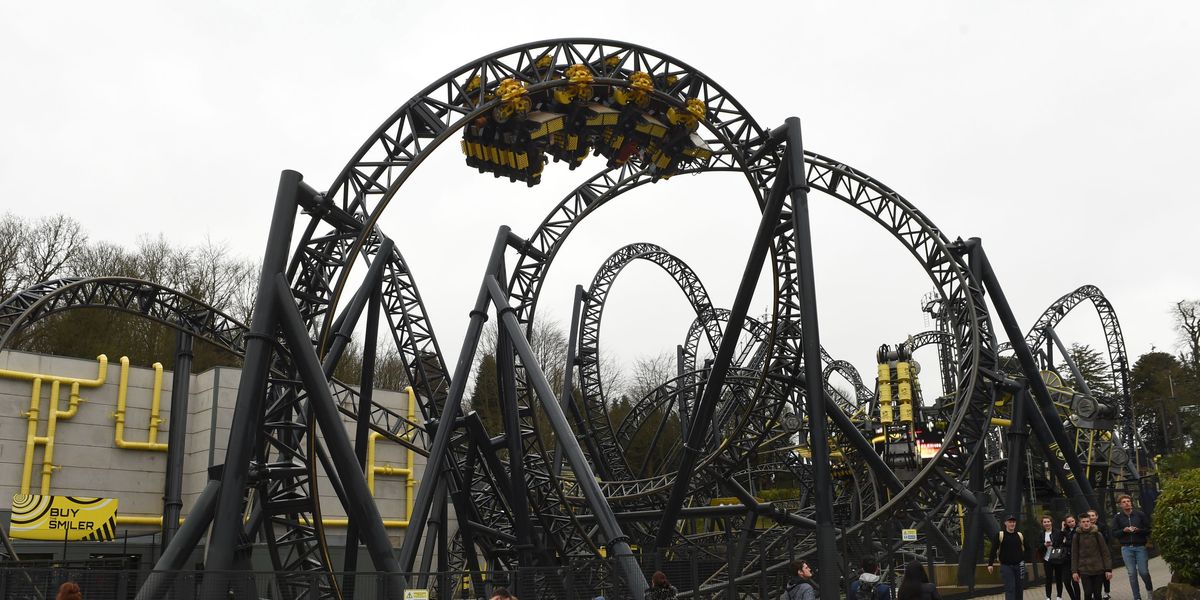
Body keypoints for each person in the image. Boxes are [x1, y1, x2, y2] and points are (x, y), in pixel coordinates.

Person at [1111, 494, 1153, 600]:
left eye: (1128, 501)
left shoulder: (1140, 514)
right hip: (1126, 548)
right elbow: (1114, 533)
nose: (1127, 503)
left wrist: (1138, 530)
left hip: (1140, 547)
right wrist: (1123, 531)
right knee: (1132, 574)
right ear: (1120, 505)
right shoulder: (1117, 517)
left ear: (1131, 503)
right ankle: (1137, 597)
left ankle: (1150, 591)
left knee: (1143, 572)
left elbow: (1148, 529)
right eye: (1124, 502)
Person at [1071, 513, 1112, 600]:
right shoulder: (1076, 536)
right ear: (1080, 523)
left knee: (1097, 594)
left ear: (1091, 522)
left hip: (1098, 569)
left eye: (1088, 521)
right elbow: (1074, 554)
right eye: (1083, 522)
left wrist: (1108, 569)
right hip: (1084, 569)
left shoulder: (1097, 534)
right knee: (1088, 593)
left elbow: (1105, 552)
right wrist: (1074, 571)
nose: (1086, 523)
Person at [987, 515, 1026, 600]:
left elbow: (1026, 548)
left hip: (1019, 565)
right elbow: (993, 550)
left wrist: (1023, 560)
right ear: (1005, 523)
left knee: (1019, 588)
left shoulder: (1019, 535)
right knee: (1010, 588)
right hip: (1006, 566)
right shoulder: (1000, 535)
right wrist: (990, 564)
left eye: (1013, 522)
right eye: (1010, 522)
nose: (1012, 524)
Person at [1086, 509, 1111, 600]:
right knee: (1093, 575)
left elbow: (1106, 539)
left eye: (1093, 515)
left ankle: (1106, 592)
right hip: (1090, 555)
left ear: (1097, 516)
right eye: (1089, 516)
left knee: (1105, 573)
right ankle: (1094, 593)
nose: (1091, 517)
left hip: (1101, 554)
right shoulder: (1085, 528)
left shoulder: (1102, 526)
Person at [1041, 514, 1068, 600]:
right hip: (1047, 559)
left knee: (1058, 577)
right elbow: (1038, 546)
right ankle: (1048, 597)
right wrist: (1044, 545)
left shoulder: (1057, 532)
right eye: (1045, 522)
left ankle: (1059, 596)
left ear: (1051, 522)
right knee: (1048, 578)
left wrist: (1053, 544)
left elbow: (1060, 542)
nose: (1047, 523)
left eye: (1048, 521)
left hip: (1056, 557)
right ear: (1042, 523)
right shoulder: (1041, 534)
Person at [1056, 515, 1081, 600]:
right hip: (1065, 560)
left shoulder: (1078, 530)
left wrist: (1065, 541)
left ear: (1075, 521)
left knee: (1075, 582)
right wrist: (1062, 529)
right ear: (1066, 523)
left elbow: (1075, 543)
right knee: (1066, 581)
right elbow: (1058, 542)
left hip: (1074, 559)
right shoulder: (1064, 531)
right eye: (1069, 522)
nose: (1071, 523)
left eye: (1072, 521)